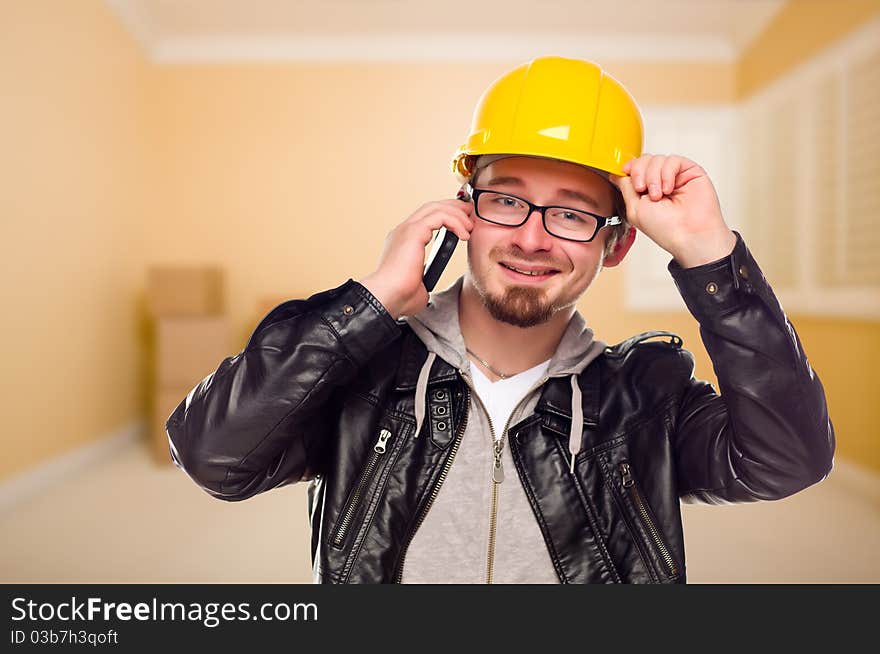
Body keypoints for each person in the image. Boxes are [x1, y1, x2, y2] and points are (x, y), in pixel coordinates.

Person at [166, 56, 835, 584]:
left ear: (616, 244)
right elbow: (212, 455)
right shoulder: (363, 376)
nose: (533, 239)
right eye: (506, 202)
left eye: (571, 213)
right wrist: (368, 304)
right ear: (464, 212)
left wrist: (710, 256)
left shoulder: (644, 399)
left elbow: (787, 459)